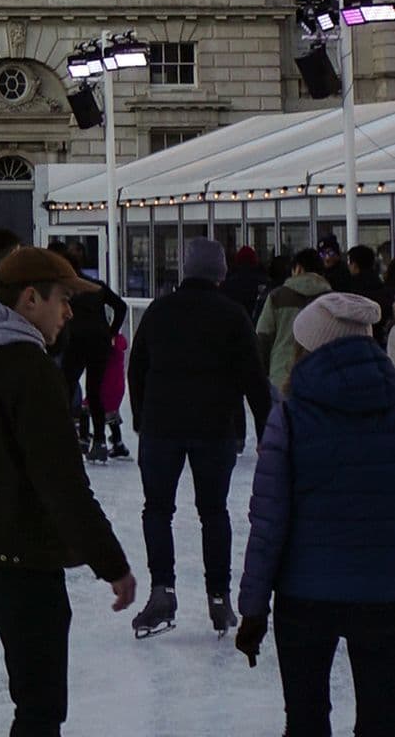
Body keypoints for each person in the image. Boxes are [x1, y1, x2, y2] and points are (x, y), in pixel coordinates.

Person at [0, 246, 136, 737]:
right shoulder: (31, 370)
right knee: (39, 706)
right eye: (62, 299)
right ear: (30, 298)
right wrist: (112, 563)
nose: (68, 312)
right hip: (17, 557)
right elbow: (61, 483)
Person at [234, 292, 395, 736]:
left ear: (309, 348)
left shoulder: (290, 417)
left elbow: (268, 523)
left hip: (305, 599)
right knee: (383, 721)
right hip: (385, 599)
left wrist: (252, 609)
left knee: (305, 721)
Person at [127, 236, 273, 638]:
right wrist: (266, 431)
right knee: (214, 512)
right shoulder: (232, 315)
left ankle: (163, 590)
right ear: (220, 274)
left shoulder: (159, 311)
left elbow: (136, 367)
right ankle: (219, 597)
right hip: (214, 428)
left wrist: (142, 417)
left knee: (158, 509)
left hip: (162, 426)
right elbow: (254, 379)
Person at [58, 255, 131, 462]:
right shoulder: (96, 287)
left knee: (67, 385)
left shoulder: (65, 289)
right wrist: (110, 332)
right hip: (99, 343)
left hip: (75, 343)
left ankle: (71, 435)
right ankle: (99, 439)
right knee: (94, 390)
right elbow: (121, 306)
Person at [256, 249, 333, 395]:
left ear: (298, 268)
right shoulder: (333, 299)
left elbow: (263, 338)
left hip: (282, 376)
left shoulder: (277, 296)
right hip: (322, 377)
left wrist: (264, 372)